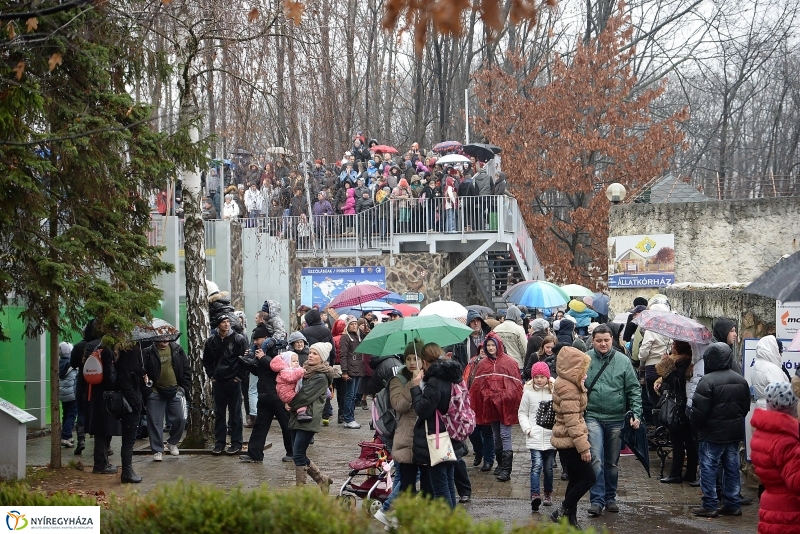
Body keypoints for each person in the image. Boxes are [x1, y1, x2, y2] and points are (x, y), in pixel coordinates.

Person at [584, 324, 642, 518]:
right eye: (599, 340)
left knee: (612, 462)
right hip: (592, 416)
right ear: (593, 341)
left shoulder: (623, 361)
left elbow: (633, 389)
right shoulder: (585, 360)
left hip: (616, 418)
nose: (603, 344)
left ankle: (610, 497)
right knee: (596, 459)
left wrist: (636, 413)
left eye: (606, 340)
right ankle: (597, 500)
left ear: (612, 340)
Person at [689, 342, 750, 518]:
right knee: (732, 467)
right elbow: (744, 407)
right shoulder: (740, 379)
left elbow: (699, 412)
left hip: (711, 433)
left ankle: (710, 504)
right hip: (733, 433)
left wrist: (698, 427)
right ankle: (732, 503)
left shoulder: (707, 381)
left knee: (708, 468)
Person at [374, 343, 422, 529]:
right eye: (408, 359)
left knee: (404, 476)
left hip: (419, 434)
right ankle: (387, 510)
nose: (411, 362)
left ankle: (396, 519)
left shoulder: (426, 375)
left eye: (415, 359)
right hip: (404, 434)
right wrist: (413, 385)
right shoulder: (398, 380)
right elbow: (399, 405)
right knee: (408, 478)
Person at [410, 343, 463, 509]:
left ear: (425, 361)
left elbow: (423, 410)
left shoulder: (435, 381)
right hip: (453, 434)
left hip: (438, 438)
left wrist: (415, 388)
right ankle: (452, 521)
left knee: (440, 487)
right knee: (448, 482)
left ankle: (447, 524)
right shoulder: (452, 375)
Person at [550, 347, 596, 528]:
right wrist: (584, 448)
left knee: (576, 480)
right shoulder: (568, 387)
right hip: (570, 442)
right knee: (589, 479)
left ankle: (570, 520)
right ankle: (561, 511)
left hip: (568, 440)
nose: (585, 371)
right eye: (583, 367)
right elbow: (572, 422)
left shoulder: (568, 382)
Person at [470, 333, 524, 482]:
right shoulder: (482, 364)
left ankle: (507, 469)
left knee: (505, 435)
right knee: (496, 435)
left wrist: (504, 396)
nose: (491, 348)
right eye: (488, 345)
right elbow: (477, 386)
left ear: (498, 345)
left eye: (493, 345)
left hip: (505, 405)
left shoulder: (509, 362)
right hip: (490, 405)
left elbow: (516, 386)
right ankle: (500, 464)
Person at [239, 324, 295, 464]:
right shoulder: (259, 351)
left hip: (277, 395)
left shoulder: (277, 349)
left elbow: (278, 368)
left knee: (286, 424)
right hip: (264, 393)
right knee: (260, 425)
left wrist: (263, 358)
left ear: (266, 337)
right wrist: (248, 362)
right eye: (255, 339)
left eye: (258, 339)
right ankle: (254, 454)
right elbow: (259, 372)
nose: (256, 342)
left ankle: (293, 452)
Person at [750, 382, 800, 534]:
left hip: (771, 505)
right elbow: (797, 482)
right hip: (789, 512)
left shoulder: (762, 433)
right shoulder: (786, 441)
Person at [288, 342, 336, 491]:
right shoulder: (305, 371)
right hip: (297, 415)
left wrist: (290, 402)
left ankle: (300, 490)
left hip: (309, 417)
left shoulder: (321, 377)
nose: (310, 355)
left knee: (297, 453)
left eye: (315, 354)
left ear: (322, 358)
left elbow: (305, 395)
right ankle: (322, 480)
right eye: (310, 352)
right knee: (299, 453)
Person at [202, 315, 249, 455]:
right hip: (219, 382)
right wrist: (212, 375)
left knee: (235, 414)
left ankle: (236, 443)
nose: (227, 324)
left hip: (233, 382)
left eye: (228, 322)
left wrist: (239, 377)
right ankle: (220, 442)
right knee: (219, 414)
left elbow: (245, 360)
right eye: (223, 322)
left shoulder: (238, 339)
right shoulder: (211, 341)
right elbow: (207, 360)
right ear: (218, 324)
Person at [142, 337, 192, 462]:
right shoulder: (147, 352)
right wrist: (146, 385)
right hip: (155, 392)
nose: (165, 340)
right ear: (155, 339)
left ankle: (172, 442)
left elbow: (186, 369)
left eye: (167, 338)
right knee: (155, 422)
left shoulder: (177, 350)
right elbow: (142, 370)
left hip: (176, 391)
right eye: (161, 338)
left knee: (181, 418)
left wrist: (184, 388)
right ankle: (158, 450)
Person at [654, 340, 697, 484]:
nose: (672, 347)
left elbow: (675, 381)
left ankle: (676, 473)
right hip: (685, 405)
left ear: (679, 348)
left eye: (674, 345)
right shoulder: (686, 361)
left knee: (679, 441)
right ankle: (689, 473)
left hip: (679, 407)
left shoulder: (682, 363)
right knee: (689, 441)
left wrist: (665, 363)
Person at [518, 362, 556, 513]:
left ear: (547, 377)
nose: (539, 380)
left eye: (542, 377)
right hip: (534, 436)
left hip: (550, 437)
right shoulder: (528, 393)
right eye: (536, 377)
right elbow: (522, 412)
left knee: (548, 468)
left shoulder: (553, 393)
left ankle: (548, 493)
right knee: (536, 466)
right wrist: (528, 429)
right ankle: (535, 495)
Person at [115, 344, 146, 483]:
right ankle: (127, 471)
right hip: (130, 407)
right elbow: (128, 388)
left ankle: (128, 470)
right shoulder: (129, 368)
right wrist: (137, 405)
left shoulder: (123, 365)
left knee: (128, 441)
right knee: (129, 441)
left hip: (128, 406)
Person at [340, 317, 366, 428]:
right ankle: (348, 418)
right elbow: (343, 355)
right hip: (350, 370)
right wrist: (345, 371)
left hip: (359, 369)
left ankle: (350, 417)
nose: (354, 326)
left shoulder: (359, 337)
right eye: (351, 324)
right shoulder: (345, 337)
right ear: (347, 326)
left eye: (355, 324)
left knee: (354, 396)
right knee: (350, 395)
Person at [750, 335, 790, 409]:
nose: (781, 354)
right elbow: (782, 394)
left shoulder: (757, 365)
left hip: (761, 408)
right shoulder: (771, 368)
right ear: (774, 349)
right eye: (780, 351)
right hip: (773, 411)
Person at [270, 351, 311, 421]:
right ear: (287, 362)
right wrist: (301, 371)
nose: (296, 362)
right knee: (299, 399)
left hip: (289, 391)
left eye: (297, 361)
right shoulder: (285, 371)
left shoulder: (294, 369)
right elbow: (291, 378)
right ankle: (301, 413)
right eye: (293, 361)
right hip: (286, 392)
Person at [492, 304, 528, 374]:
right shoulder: (519, 329)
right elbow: (524, 349)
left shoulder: (496, 329)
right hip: (516, 364)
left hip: (499, 364)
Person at [58, 342, 78, 448]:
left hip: (62, 394)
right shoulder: (72, 364)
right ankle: (65, 437)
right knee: (71, 415)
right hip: (72, 394)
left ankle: (67, 435)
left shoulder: (58, 363)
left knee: (65, 414)